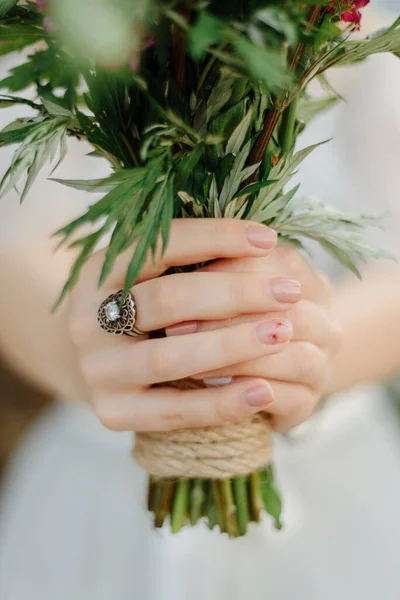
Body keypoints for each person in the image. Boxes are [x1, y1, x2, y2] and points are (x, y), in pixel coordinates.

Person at [1, 6, 400, 600]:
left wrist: (305, 350)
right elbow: (11, 241)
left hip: (337, 486)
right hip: (94, 478)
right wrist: (83, 340)